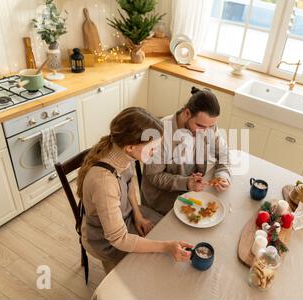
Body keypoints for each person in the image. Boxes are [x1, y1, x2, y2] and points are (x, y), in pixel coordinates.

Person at [77, 107, 193, 274]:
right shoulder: (103, 182)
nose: (155, 153)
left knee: (169, 229)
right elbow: (119, 239)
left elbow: (129, 182)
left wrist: (138, 215)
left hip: (127, 217)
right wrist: (166, 247)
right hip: (106, 240)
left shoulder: (122, 155)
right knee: (156, 265)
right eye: (152, 148)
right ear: (130, 147)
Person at [141, 87, 231, 215]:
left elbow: (223, 153)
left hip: (192, 194)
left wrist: (223, 175)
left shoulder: (207, 126)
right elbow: (153, 176)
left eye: (210, 127)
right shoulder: (160, 133)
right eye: (200, 126)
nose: (205, 132)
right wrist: (186, 183)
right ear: (187, 113)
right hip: (162, 202)